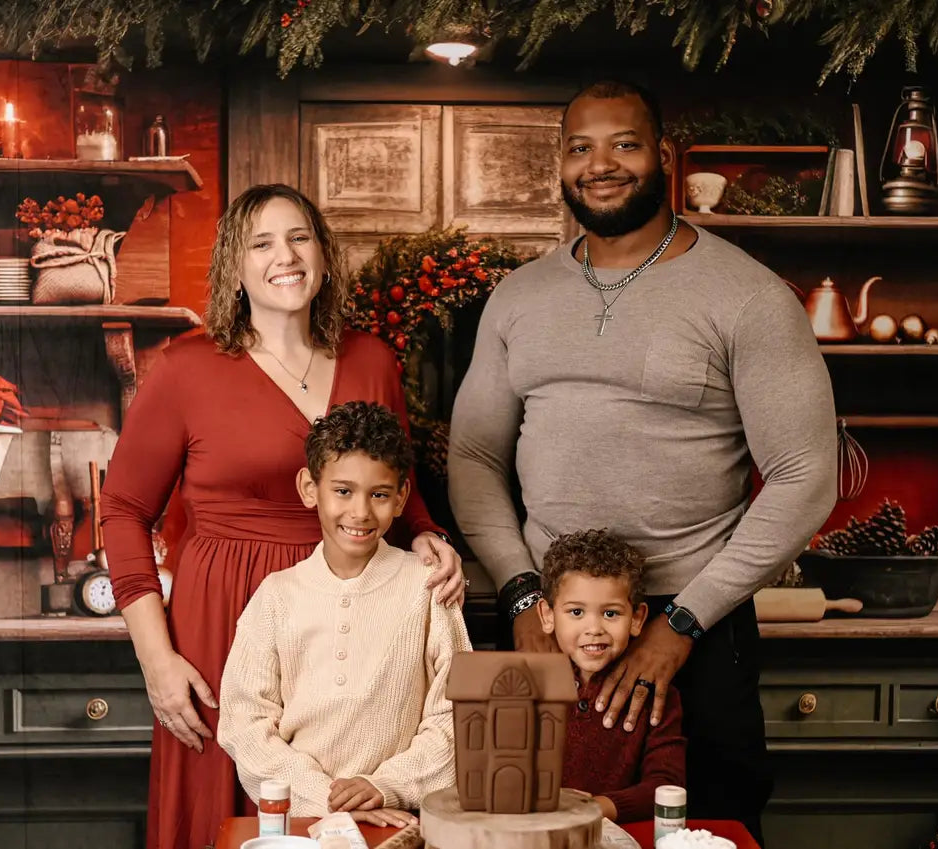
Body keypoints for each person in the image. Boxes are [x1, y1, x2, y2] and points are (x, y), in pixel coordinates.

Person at [447, 79, 837, 845]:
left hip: (697, 624)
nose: (601, 164)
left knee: (709, 830)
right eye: (580, 147)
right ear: (559, 164)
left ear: (663, 156)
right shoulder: (518, 296)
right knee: (529, 829)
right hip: (550, 627)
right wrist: (524, 597)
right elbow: (472, 453)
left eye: (623, 144)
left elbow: (806, 475)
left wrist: (681, 623)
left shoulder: (748, 295)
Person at [100, 183, 466, 849]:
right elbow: (123, 510)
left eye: (299, 237)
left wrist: (430, 535)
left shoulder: (371, 359)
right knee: (226, 804)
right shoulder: (187, 367)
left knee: (348, 807)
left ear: (323, 256)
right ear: (234, 269)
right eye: (261, 243)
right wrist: (157, 659)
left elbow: (395, 486)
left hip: (352, 610)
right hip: (220, 614)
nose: (284, 255)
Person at [218, 401, 472, 829]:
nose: (360, 512)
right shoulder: (277, 596)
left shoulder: (427, 587)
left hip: (401, 821)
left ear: (401, 498)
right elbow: (244, 724)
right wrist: (325, 797)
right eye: (343, 491)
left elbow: (458, 713)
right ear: (309, 487)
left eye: (379, 494)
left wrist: (385, 786)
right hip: (300, 821)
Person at [537, 528, 685, 824]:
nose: (594, 628)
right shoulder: (527, 689)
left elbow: (666, 788)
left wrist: (595, 808)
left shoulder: (659, 696)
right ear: (548, 616)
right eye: (576, 612)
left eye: (610, 613)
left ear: (637, 619)